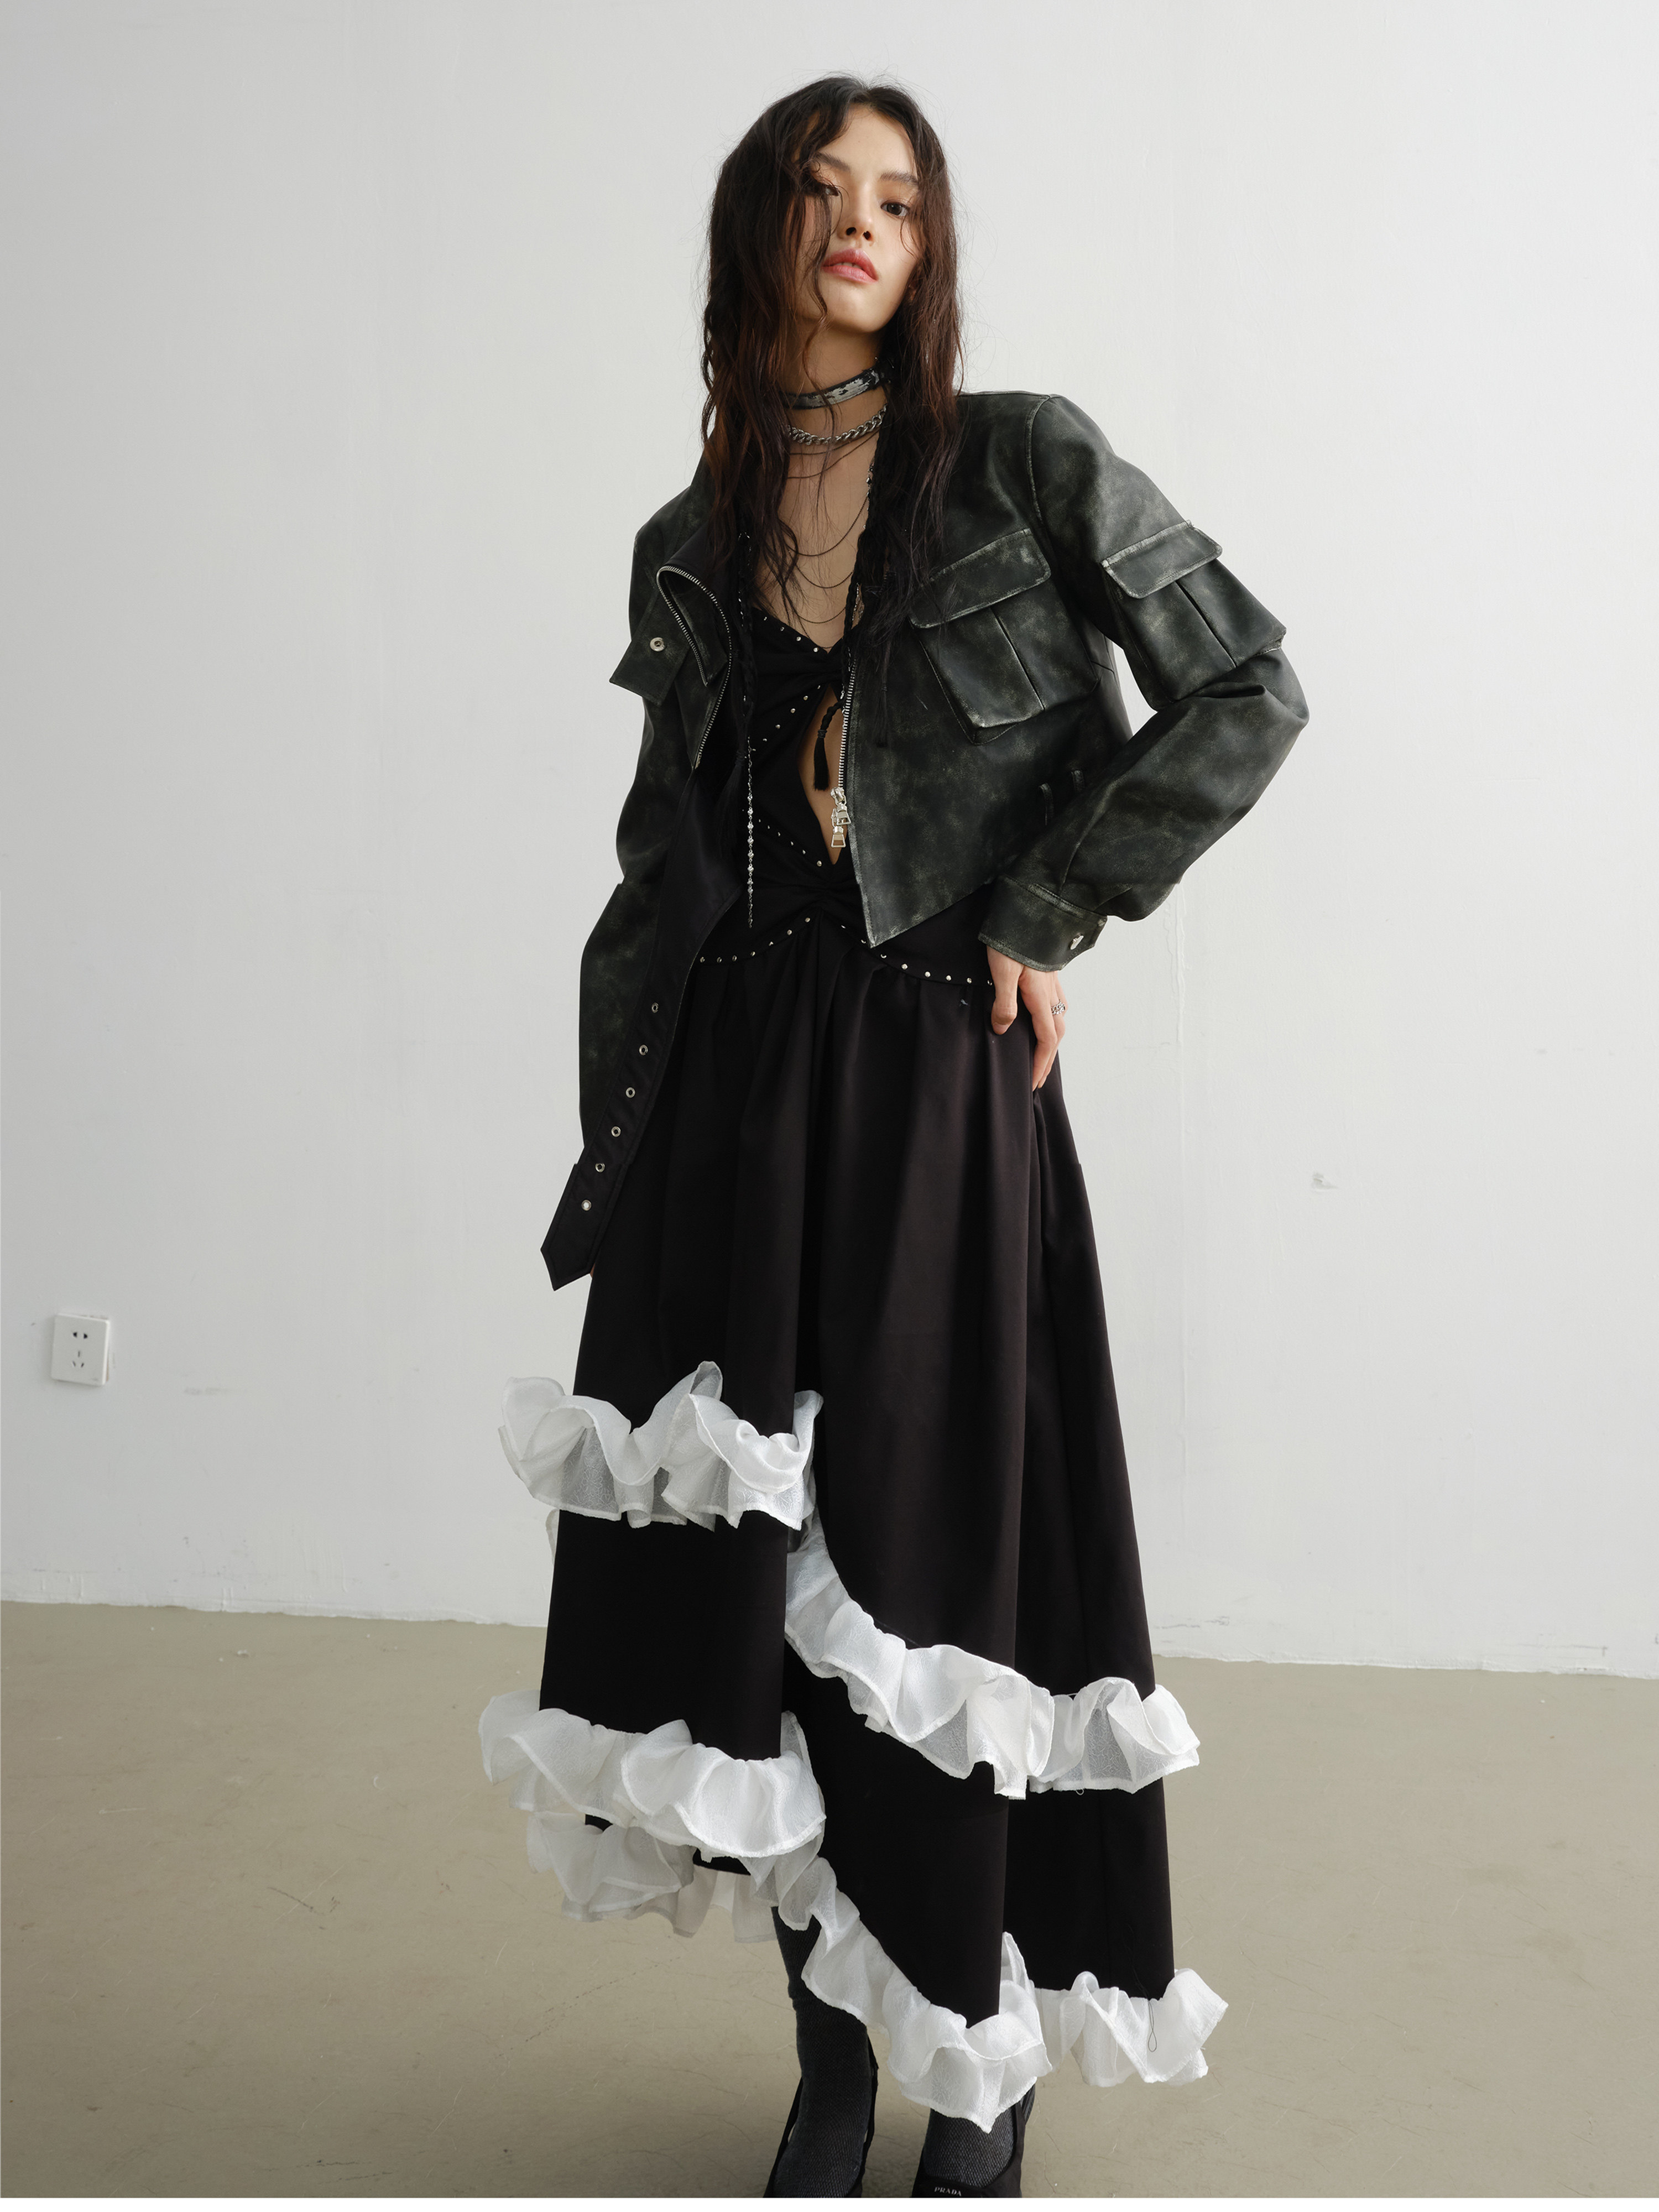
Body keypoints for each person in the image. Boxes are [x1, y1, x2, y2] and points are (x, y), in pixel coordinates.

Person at [481, 75, 1306, 2198]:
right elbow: (663, 869)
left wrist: (1046, 908)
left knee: (934, 1581)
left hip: (940, 1075)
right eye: (827, 189)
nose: (864, 223)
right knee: (762, 1614)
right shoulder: (689, 539)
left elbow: (1248, 691)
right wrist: (620, 1147)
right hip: (738, 1106)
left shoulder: (1021, 458)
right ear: (762, 223)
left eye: (904, 201)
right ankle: (835, 2062)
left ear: (929, 252)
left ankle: (977, 2069)